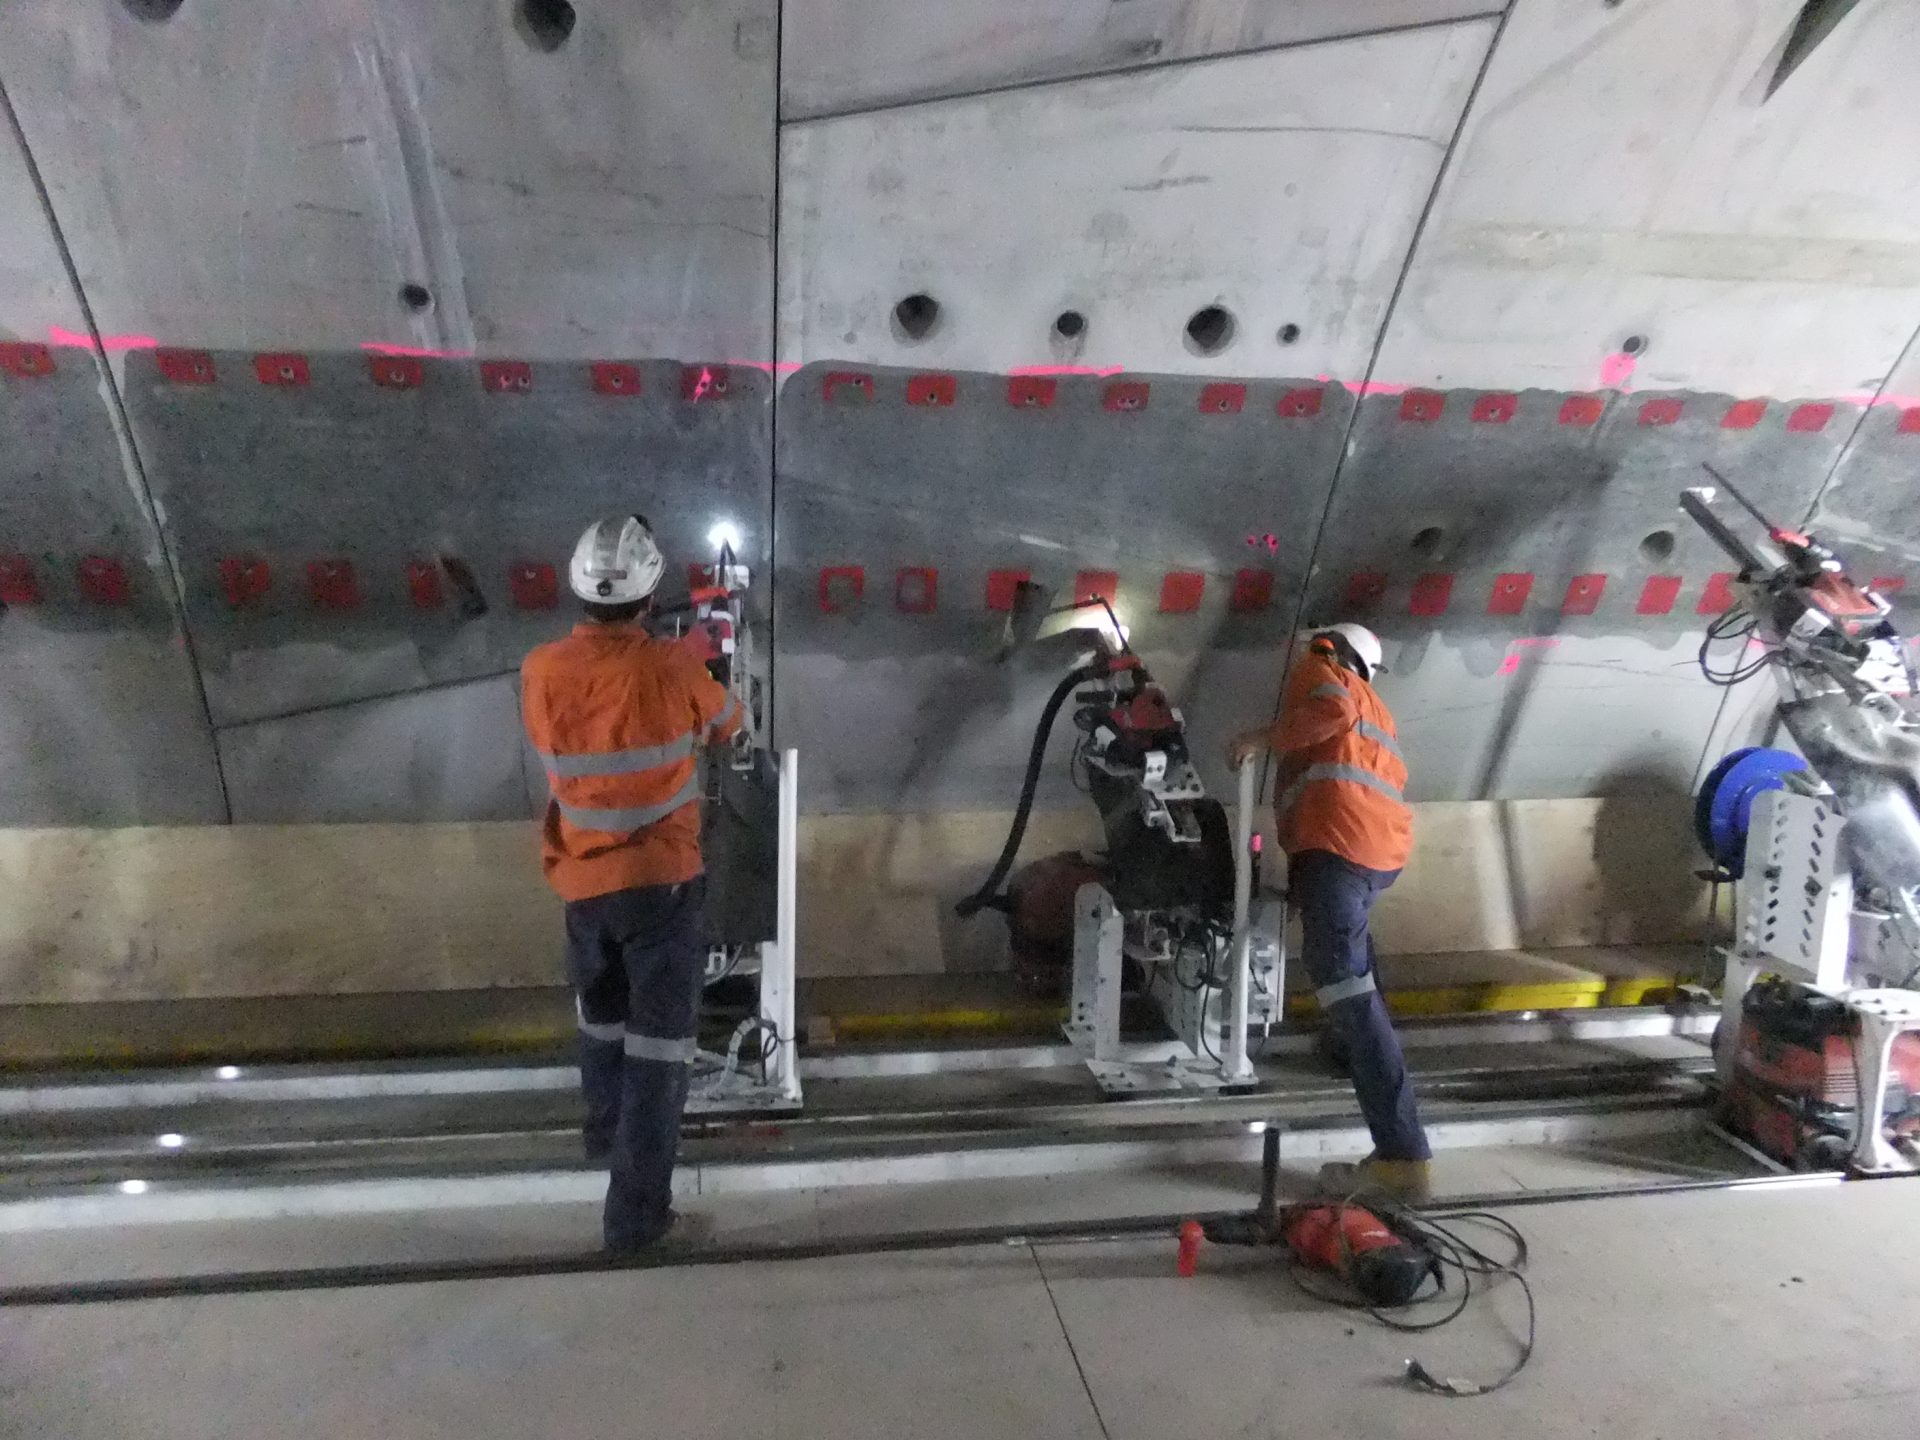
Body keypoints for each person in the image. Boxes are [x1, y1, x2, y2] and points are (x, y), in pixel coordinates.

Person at [521, 514, 741, 1250]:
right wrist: (699, 658)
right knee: (658, 1049)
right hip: (661, 886)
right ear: (649, 598)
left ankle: (604, 1138)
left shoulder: (540, 669)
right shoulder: (673, 669)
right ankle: (635, 1218)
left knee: (602, 1022)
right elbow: (731, 722)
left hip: (583, 884)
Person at [1227, 622, 1431, 1199]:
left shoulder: (1323, 666)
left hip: (1339, 848)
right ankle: (1347, 1050)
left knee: (1344, 983)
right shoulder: (1375, 705)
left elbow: (1330, 713)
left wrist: (1258, 739)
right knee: (1355, 965)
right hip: (1373, 855)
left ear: (1337, 649)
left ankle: (1402, 1156)